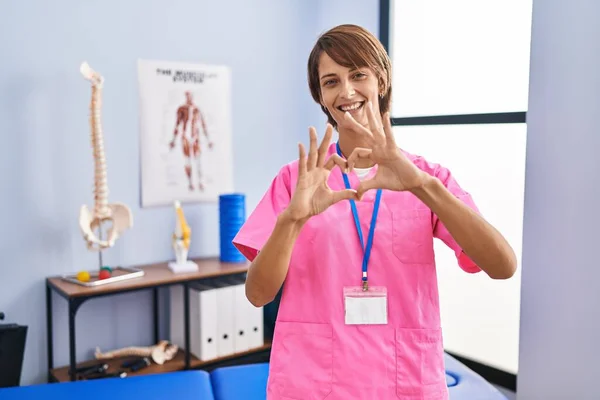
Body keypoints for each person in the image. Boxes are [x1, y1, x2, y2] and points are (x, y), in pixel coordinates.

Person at [233, 24, 516, 400]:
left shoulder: (427, 177)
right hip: (311, 382)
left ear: (380, 80)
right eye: (331, 81)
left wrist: (422, 187)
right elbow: (257, 294)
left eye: (358, 74)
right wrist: (292, 219)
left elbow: (503, 266)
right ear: (320, 96)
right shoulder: (296, 181)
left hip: (405, 382)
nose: (347, 91)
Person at [169, 91, 214, 191]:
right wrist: (173, 140)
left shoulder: (197, 110)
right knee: (187, 160)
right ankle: (190, 183)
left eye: (191, 96)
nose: (189, 98)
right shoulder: (182, 109)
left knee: (198, 160)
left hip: (195, 137)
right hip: (185, 137)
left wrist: (208, 140)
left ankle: (200, 182)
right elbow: (177, 124)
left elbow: (203, 125)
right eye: (187, 96)